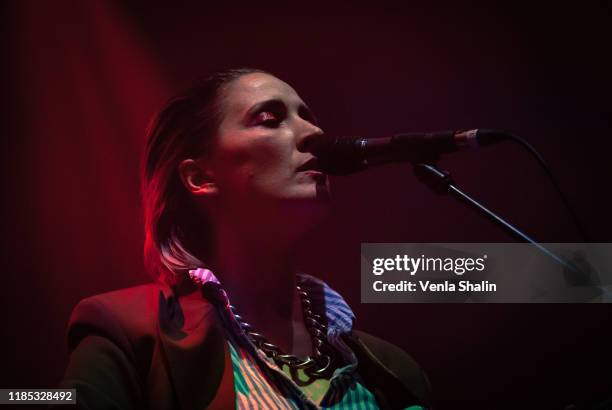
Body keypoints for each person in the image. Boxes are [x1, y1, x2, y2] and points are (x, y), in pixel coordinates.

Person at [57, 68, 432, 409]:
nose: (315, 133)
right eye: (269, 119)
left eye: (308, 117)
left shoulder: (392, 370)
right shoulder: (129, 331)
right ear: (201, 178)